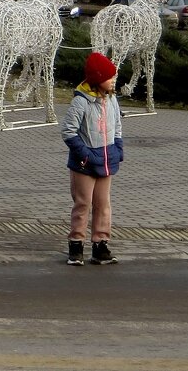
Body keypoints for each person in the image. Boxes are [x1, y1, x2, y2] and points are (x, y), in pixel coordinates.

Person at [61, 51, 124, 266]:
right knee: (83, 204)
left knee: (103, 204)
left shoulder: (112, 99)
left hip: (107, 159)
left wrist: (118, 148)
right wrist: (84, 154)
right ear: (98, 78)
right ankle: (76, 245)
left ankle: (101, 245)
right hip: (84, 164)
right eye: (110, 76)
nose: (114, 80)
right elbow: (68, 131)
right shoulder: (81, 102)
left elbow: (117, 126)